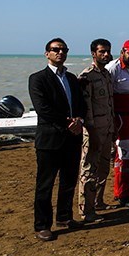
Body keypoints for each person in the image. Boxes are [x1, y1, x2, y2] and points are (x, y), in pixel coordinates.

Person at [28, 38, 87, 242]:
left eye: (63, 50)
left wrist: (79, 120)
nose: (60, 53)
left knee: (69, 181)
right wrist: (66, 123)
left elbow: (80, 103)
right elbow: (42, 108)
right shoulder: (37, 79)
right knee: (45, 184)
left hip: (73, 137)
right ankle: (42, 225)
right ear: (47, 54)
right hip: (50, 139)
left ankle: (64, 217)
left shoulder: (71, 78)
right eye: (55, 50)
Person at [77, 39, 114, 222]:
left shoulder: (106, 75)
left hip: (107, 129)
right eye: (102, 52)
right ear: (94, 53)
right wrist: (91, 133)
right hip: (93, 131)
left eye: (108, 51)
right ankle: (86, 210)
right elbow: (86, 108)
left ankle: (98, 201)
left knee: (104, 168)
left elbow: (109, 104)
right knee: (89, 171)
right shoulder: (87, 76)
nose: (106, 55)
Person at [107, 40, 129, 207]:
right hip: (121, 118)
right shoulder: (113, 69)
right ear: (122, 51)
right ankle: (121, 193)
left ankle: (128, 190)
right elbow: (108, 96)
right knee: (123, 156)